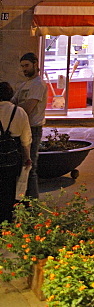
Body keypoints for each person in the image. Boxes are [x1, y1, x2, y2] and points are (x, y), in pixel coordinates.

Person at [12, 52, 47, 200]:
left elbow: (27, 108)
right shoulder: (24, 84)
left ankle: (33, 202)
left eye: (26, 65)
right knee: (20, 166)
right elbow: (12, 102)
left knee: (29, 166)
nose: (24, 69)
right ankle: (22, 199)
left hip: (33, 128)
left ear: (35, 64)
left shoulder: (38, 84)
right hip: (20, 128)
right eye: (22, 66)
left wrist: (16, 107)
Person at [0, 81, 32, 222]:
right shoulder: (19, 112)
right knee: (9, 189)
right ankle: (6, 221)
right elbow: (26, 139)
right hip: (12, 157)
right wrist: (27, 158)